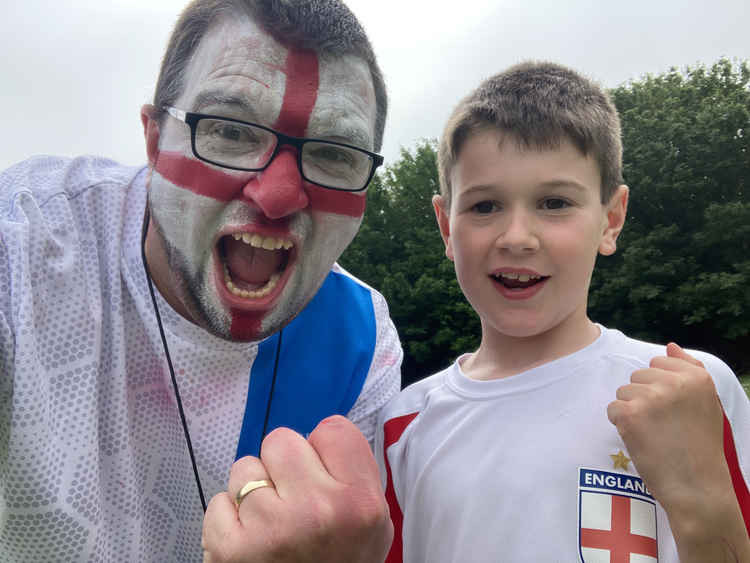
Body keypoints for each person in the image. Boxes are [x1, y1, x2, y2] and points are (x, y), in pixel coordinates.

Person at [0, 0, 400, 561]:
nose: (278, 195)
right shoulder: (23, 249)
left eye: (335, 153)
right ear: (153, 139)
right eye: (231, 131)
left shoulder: (359, 340)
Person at [377, 61, 750, 563]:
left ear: (610, 220)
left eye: (554, 202)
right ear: (447, 227)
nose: (516, 237)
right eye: (485, 207)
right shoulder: (403, 425)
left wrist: (703, 503)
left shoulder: (692, 387)